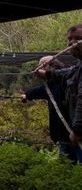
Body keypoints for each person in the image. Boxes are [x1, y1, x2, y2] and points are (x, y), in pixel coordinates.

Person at [35, 24, 82, 163]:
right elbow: (69, 73)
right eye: (70, 39)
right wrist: (47, 74)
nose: (72, 42)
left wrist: (78, 129)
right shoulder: (79, 66)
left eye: (78, 38)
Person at [22, 57, 77, 161]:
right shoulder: (50, 85)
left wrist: (27, 94)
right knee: (67, 170)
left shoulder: (68, 80)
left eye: (41, 66)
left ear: (50, 67)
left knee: (67, 168)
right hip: (64, 136)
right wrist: (27, 95)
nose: (38, 70)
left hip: (74, 133)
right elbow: (39, 90)